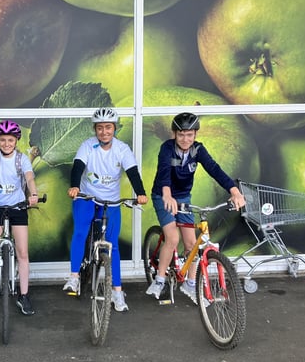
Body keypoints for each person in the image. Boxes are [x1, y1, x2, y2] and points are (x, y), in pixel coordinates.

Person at [145, 112, 246, 304]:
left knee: (192, 244)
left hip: (183, 196)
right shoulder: (167, 148)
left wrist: (234, 191)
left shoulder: (198, 150)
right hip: (162, 194)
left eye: (190, 135)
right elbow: (164, 170)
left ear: (195, 135)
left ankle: (190, 284)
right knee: (173, 238)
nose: (185, 139)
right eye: (181, 134)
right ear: (174, 133)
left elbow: (214, 169)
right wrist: (166, 194)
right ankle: (159, 280)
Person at [63, 107, 148, 312]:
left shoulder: (122, 149)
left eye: (108, 127)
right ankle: (74, 277)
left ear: (114, 128)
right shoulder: (87, 146)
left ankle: (117, 292)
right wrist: (75, 185)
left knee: (113, 246)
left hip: (110, 201)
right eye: (100, 128)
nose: (104, 132)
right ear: (95, 129)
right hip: (87, 197)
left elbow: (133, 172)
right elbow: (78, 166)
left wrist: (140, 192)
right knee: (81, 232)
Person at [0, 120, 39, 316]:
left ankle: (24, 295)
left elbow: (29, 178)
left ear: (16, 141)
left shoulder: (22, 159)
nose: (6, 144)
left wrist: (34, 194)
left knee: (23, 253)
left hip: (18, 207)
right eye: (2, 140)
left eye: (10, 140)